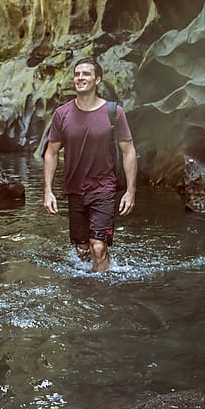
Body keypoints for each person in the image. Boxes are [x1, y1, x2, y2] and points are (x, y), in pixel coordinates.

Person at [42, 57, 137, 272]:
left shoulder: (114, 112)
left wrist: (131, 191)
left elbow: (128, 151)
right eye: (77, 74)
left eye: (86, 74)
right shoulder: (62, 114)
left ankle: (101, 296)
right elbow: (51, 153)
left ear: (97, 80)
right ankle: (97, 277)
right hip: (74, 190)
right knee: (83, 249)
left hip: (104, 188)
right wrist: (48, 191)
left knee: (97, 247)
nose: (80, 78)